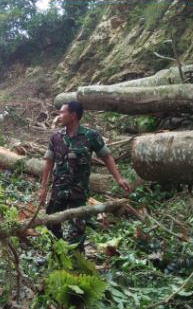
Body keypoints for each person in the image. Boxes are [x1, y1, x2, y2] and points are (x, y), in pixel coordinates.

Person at [39, 101, 131, 251]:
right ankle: (56, 254)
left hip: (79, 192)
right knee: (51, 224)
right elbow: (48, 163)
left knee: (77, 230)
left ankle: (76, 260)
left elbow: (107, 157)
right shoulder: (55, 137)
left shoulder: (91, 136)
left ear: (73, 115)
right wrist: (43, 188)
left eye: (62, 112)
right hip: (58, 190)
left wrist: (119, 179)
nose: (59, 115)